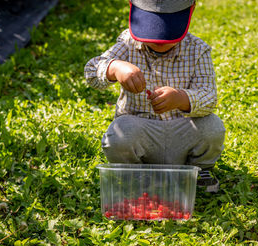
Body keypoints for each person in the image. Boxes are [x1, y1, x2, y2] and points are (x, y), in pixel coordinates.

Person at [84, 0, 225, 192]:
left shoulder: (198, 50)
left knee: (212, 127)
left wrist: (181, 98)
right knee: (118, 133)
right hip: (141, 136)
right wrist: (115, 67)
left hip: (181, 135)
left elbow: (209, 97)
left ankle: (199, 170)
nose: (159, 41)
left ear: (191, 10)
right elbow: (92, 71)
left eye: (169, 31)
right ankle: (136, 174)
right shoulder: (127, 44)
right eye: (151, 30)